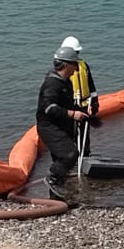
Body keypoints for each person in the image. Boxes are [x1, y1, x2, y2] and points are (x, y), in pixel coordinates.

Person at [37, 45, 92, 200]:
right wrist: (72, 114)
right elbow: (49, 108)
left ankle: (57, 200)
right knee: (70, 154)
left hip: (61, 126)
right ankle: (52, 177)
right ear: (66, 64)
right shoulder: (53, 84)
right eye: (74, 65)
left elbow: (66, 104)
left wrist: (82, 114)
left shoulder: (65, 82)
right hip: (50, 127)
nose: (76, 69)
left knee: (61, 160)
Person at [60, 36, 99, 156]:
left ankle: (85, 155)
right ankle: (70, 159)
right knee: (69, 134)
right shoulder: (62, 68)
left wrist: (94, 102)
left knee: (84, 135)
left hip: (84, 106)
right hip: (70, 107)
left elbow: (91, 85)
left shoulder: (84, 66)